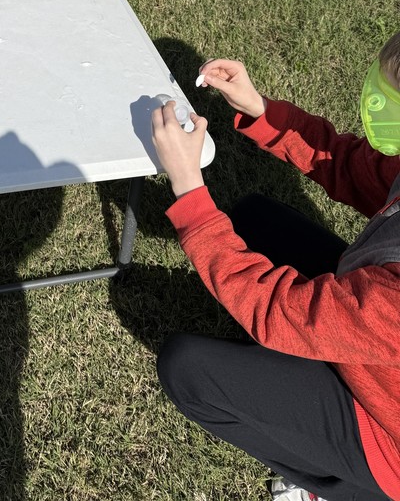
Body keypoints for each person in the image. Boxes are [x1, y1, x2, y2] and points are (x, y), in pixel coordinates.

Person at [150, 45, 400, 501]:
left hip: (389, 435)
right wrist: (260, 110)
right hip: (379, 344)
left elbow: (276, 310)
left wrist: (187, 189)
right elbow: (347, 165)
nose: (380, 102)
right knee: (254, 218)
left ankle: (340, 489)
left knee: (187, 368)